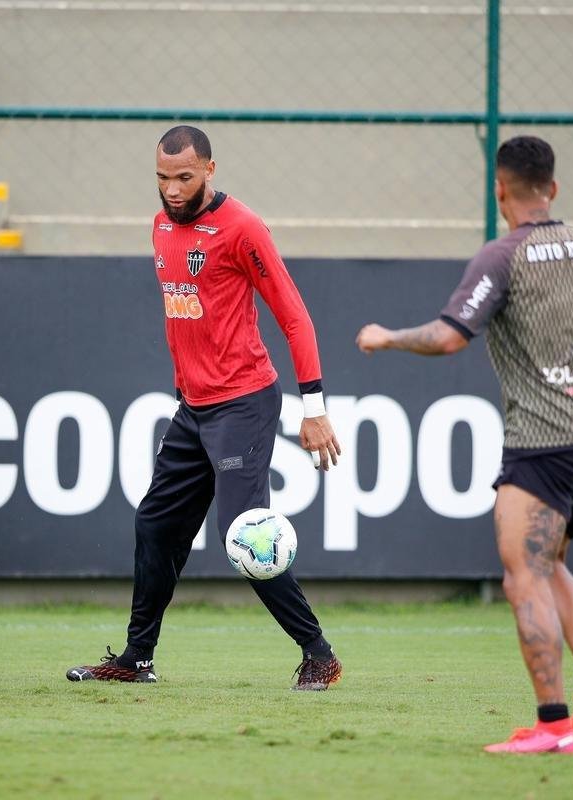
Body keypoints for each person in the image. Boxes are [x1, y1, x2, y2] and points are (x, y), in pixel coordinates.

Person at [356, 136, 573, 753]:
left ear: (500, 191)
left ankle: (551, 725)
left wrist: (387, 337)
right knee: (550, 568)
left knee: (523, 577)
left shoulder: (503, 257)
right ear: (553, 187)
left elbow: (447, 338)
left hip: (543, 443)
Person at [66, 126, 345, 689]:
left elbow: (295, 317)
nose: (171, 189)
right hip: (194, 409)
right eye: (162, 178)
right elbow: (188, 317)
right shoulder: (161, 225)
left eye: (184, 177)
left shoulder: (242, 228)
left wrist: (313, 407)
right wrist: (185, 390)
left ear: (210, 170)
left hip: (244, 403)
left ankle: (320, 654)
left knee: (244, 535)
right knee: (155, 523)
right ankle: (136, 659)